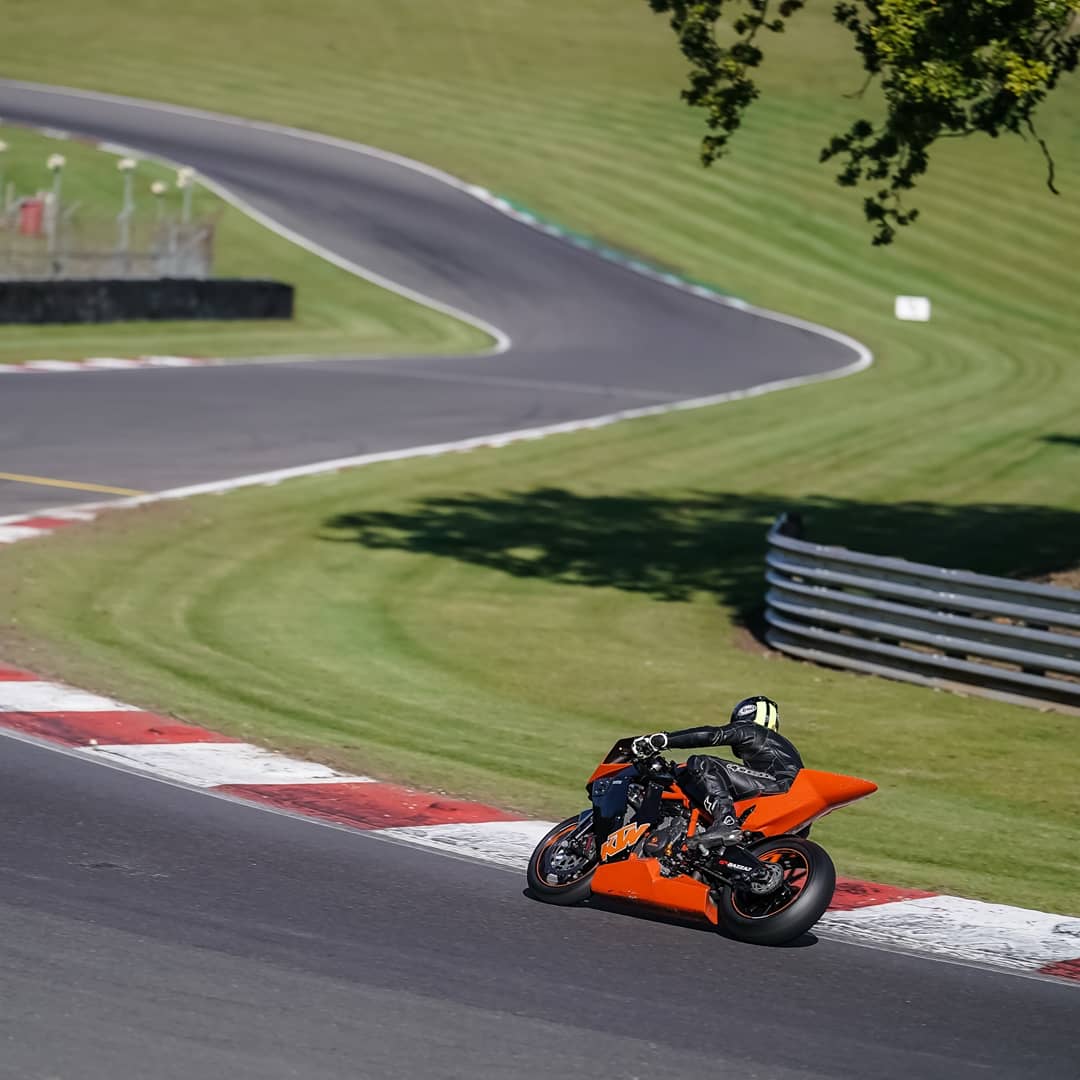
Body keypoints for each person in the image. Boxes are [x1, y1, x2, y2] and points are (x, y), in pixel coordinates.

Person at [631, 695, 803, 850]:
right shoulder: (784, 750)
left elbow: (713, 735)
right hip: (792, 815)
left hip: (778, 788)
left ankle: (726, 823)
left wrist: (663, 740)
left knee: (703, 763)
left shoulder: (753, 730)